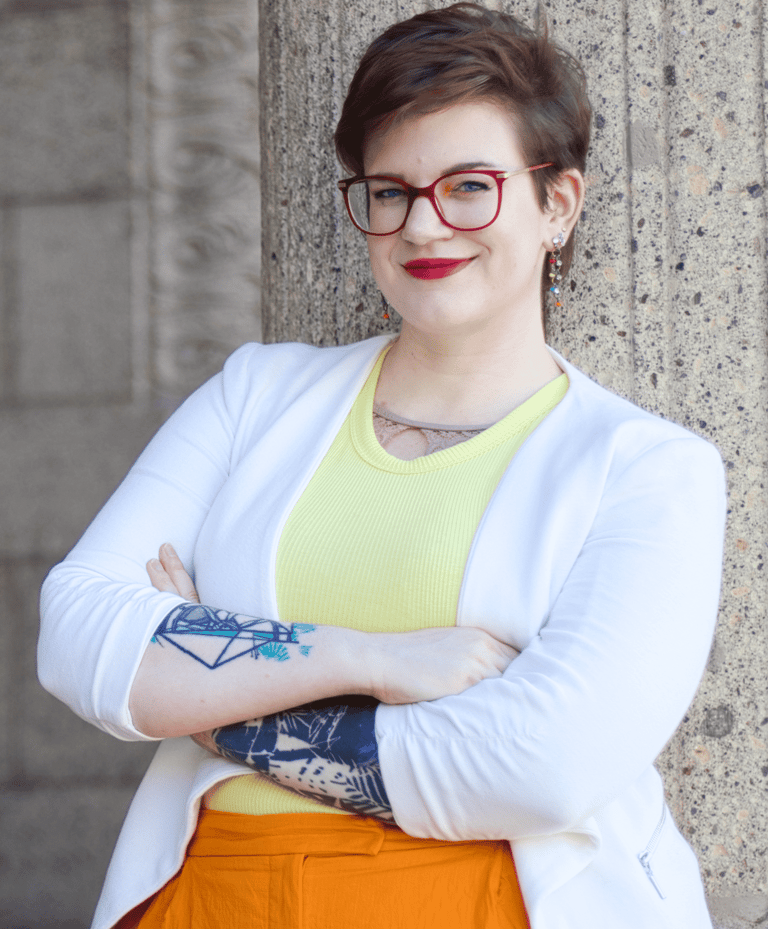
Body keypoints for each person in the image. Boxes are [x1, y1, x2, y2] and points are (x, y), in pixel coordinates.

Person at [38, 4, 726, 928]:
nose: (424, 225)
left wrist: (215, 705)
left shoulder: (647, 469)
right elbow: (78, 634)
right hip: (215, 894)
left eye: (470, 186)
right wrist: (366, 656)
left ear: (557, 202)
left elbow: (544, 764)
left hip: (475, 902)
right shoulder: (256, 395)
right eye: (389, 190)